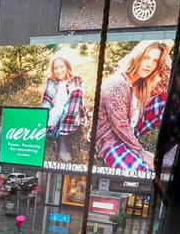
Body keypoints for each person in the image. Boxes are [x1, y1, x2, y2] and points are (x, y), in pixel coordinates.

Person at [95, 40, 171, 174]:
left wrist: (165, 51)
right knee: (144, 174)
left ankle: (172, 154)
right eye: (146, 58)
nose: (149, 64)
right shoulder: (117, 85)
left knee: (167, 102)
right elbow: (120, 127)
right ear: (137, 56)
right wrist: (142, 153)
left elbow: (166, 86)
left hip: (131, 127)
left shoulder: (141, 83)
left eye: (155, 61)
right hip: (111, 140)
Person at [41, 56, 87, 163]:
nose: (59, 70)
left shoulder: (77, 80)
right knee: (55, 111)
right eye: (55, 68)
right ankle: (54, 132)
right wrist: (44, 121)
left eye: (61, 67)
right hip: (55, 115)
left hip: (71, 115)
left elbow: (80, 103)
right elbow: (46, 103)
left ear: (67, 66)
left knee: (77, 91)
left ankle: (63, 138)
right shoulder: (51, 81)